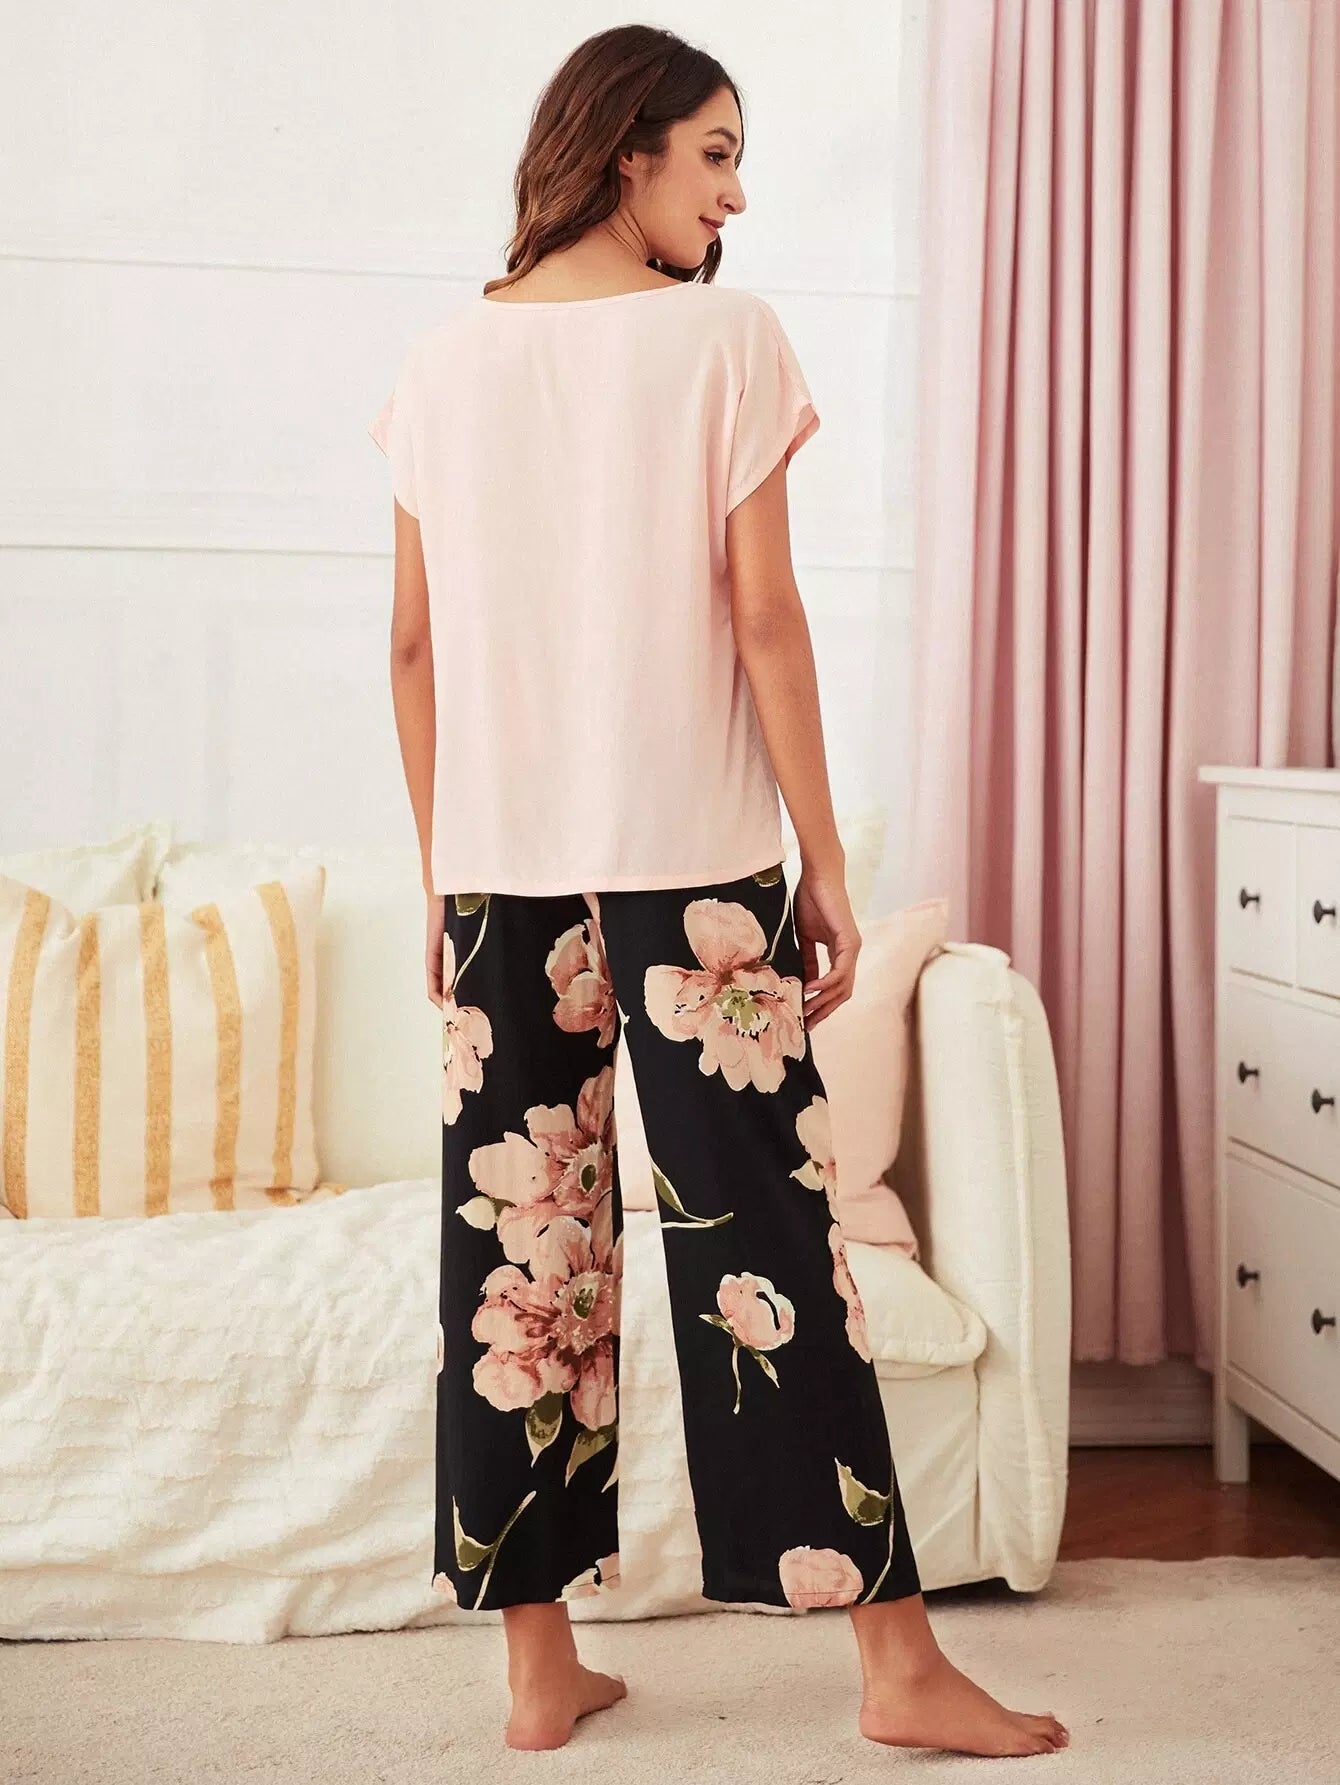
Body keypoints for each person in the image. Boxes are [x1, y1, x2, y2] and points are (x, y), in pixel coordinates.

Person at [370, 22, 1069, 1763]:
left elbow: (412, 646)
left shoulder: (440, 363)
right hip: (693, 873)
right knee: (773, 1242)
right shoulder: (722, 341)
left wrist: (444, 872)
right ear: (629, 152)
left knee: (518, 1262)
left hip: (498, 880)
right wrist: (824, 854)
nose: (735, 195)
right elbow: (762, 612)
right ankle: (896, 1667)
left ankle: (541, 1672)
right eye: (716, 153)